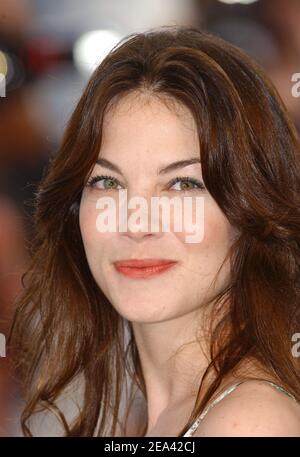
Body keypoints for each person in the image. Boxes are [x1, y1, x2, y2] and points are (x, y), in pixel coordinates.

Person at [8, 25, 300, 437]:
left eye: (182, 185)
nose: (136, 223)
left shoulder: (249, 424)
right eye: (107, 182)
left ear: (251, 210)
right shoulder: (144, 416)